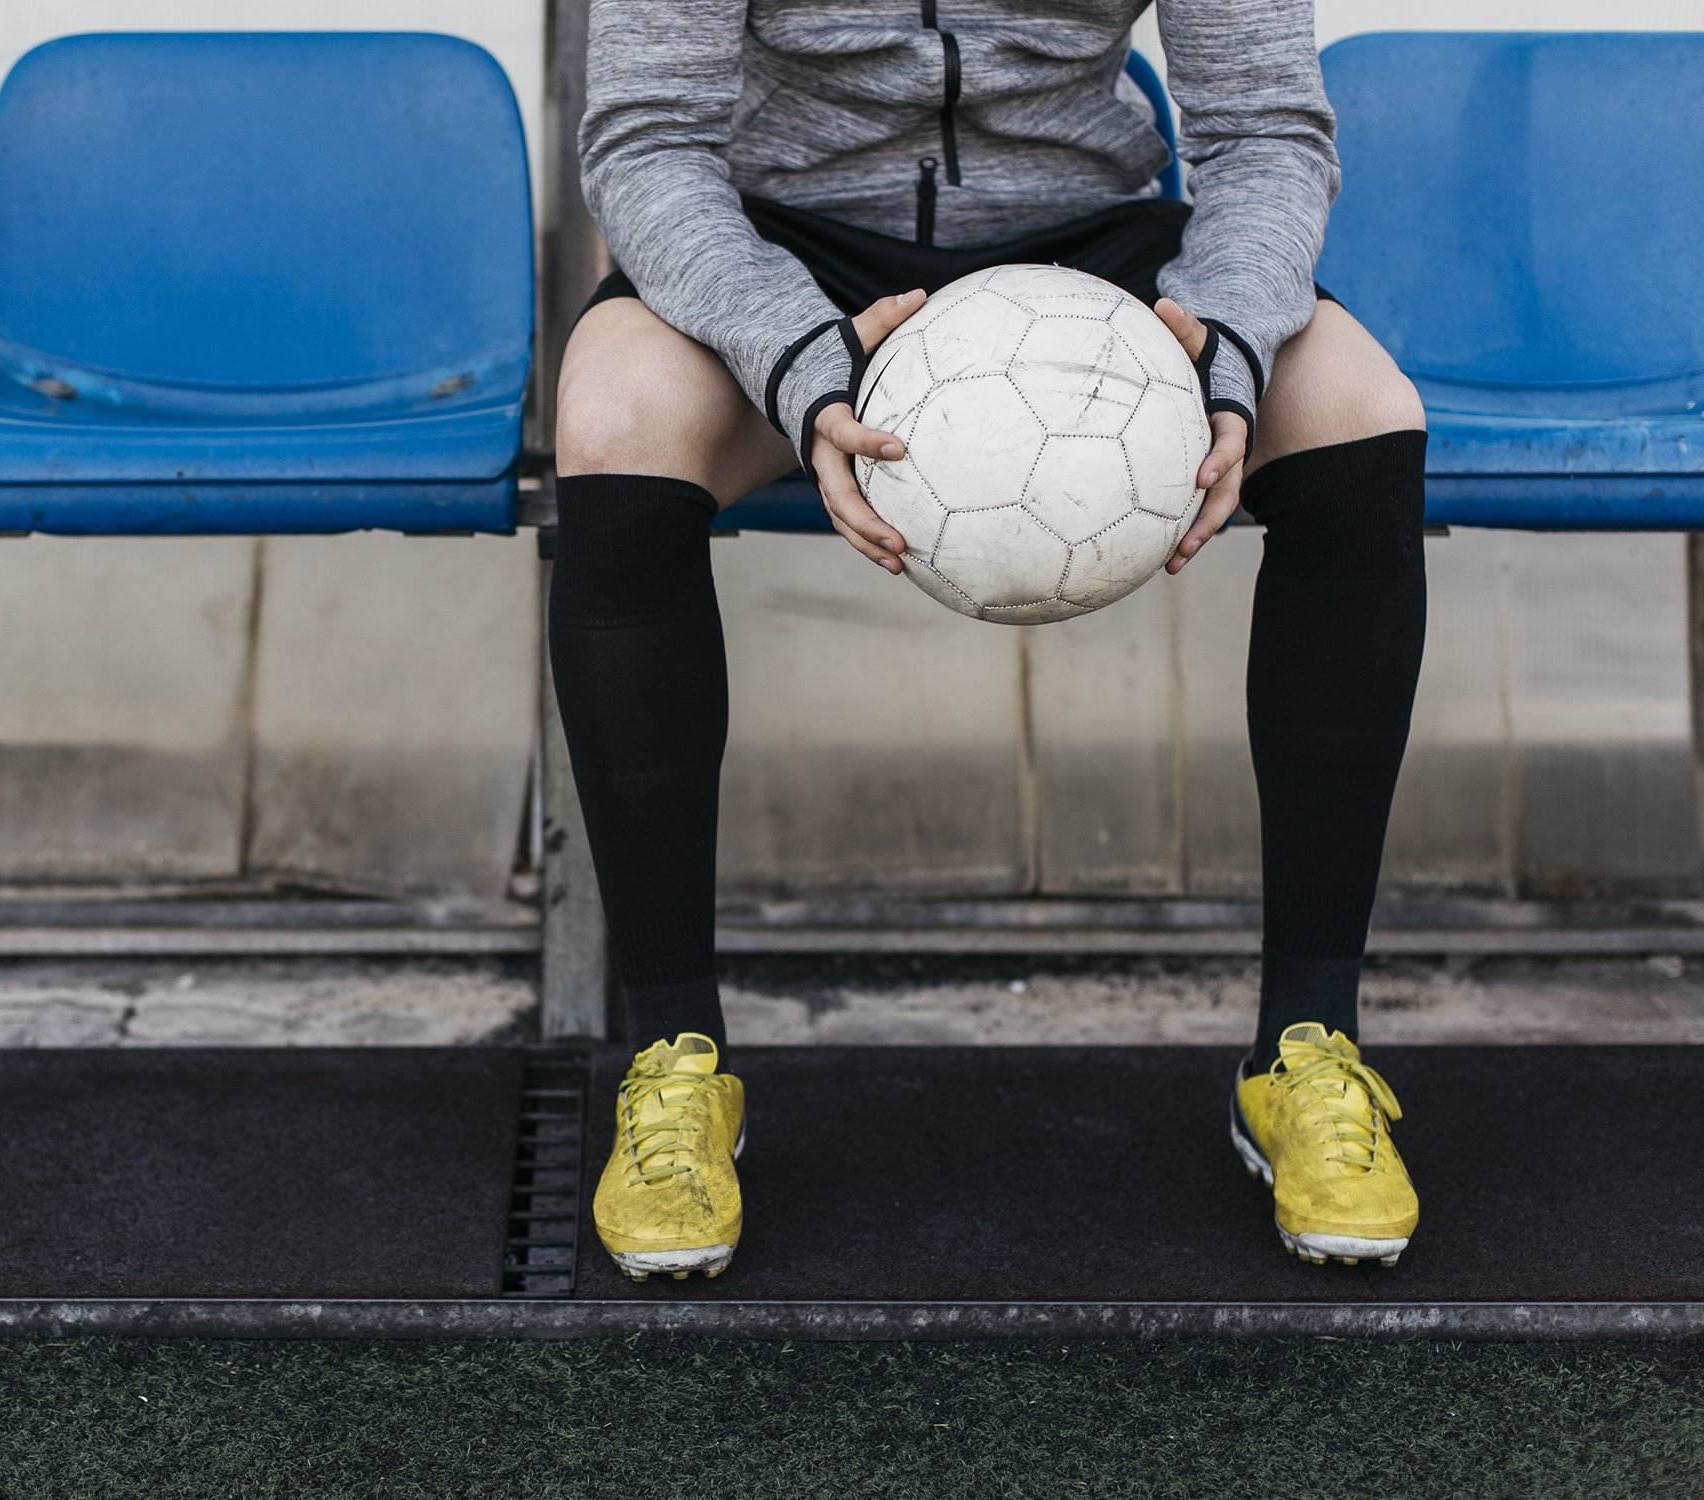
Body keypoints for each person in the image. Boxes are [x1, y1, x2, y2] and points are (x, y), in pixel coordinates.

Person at [553, 0, 1427, 1281]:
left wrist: (1228, 336)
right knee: (616, 424)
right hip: (784, 256)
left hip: (1099, 263)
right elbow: (647, 139)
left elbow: (1264, 132)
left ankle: (1306, 1050)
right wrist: (793, 356)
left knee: (1361, 414)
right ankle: (673, 1063)